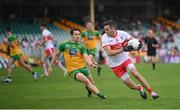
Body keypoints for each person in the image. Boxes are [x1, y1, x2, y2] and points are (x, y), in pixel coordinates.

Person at [101, 20, 159, 100]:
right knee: (131, 86)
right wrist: (123, 49)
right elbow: (109, 53)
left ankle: (152, 92)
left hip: (125, 59)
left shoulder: (122, 33)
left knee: (135, 74)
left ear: (113, 28)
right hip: (115, 65)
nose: (105, 31)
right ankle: (139, 88)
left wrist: (138, 44)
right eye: (105, 29)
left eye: (107, 29)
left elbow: (133, 41)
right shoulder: (104, 38)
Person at [48, 28, 106, 99]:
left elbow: (86, 57)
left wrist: (91, 63)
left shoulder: (81, 46)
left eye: (78, 34)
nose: (77, 36)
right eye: (75, 34)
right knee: (87, 81)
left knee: (92, 83)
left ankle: (89, 92)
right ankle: (101, 96)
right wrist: (50, 66)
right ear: (71, 35)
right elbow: (56, 55)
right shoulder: (64, 45)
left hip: (83, 68)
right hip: (73, 70)